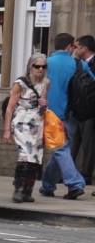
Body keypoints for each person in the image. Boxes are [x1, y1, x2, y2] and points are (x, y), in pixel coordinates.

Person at [38, 32, 94, 199]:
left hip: (49, 113)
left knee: (61, 149)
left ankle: (73, 184)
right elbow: (91, 86)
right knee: (62, 148)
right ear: (69, 47)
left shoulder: (44, 64)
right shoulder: (78, 64)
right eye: (73, 47)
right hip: (70, 114)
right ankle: (49, 185)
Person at [2, 55, 49, 202]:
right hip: (22, 121)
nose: (40, 69)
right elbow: (10, 108)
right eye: (37, 66)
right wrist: (7, 129)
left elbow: (44, 102)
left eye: (43, 66)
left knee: (35, 157)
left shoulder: (46, 82)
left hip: (37, 123)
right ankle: (19, 189)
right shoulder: (20, 83)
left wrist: (44, 103)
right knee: (24, 155)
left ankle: (28, 191)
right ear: (30, 66)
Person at [72, 34, 95, 181]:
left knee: (88, 143)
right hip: (78, 109)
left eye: (76, 47)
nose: (74, 49)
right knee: (74, 141)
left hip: (91, 110)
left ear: (84, 48)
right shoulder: (77, 63)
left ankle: (86, 174)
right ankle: (67, 172)